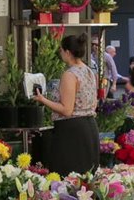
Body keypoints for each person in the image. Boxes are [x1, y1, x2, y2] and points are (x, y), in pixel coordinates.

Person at [33, 33, 99, 176]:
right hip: (89, 127)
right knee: (86, 178)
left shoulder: (69, 75)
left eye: (61, 50)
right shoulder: (88, 71)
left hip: (72, 131)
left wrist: (42, 99)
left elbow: (67, 110)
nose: (60, 53)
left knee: (68, 177)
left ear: (68, 52)